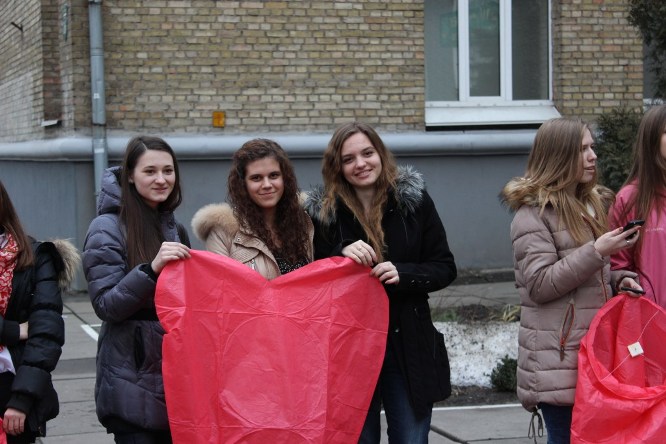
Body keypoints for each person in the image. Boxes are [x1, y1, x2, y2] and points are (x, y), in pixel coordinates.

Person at [305, 121, 457, 443]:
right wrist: (339, 253)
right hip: (350, 349)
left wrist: (405, 274)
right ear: (337, 166)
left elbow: (444, 267)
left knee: (410, 439)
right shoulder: (324, 214)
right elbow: (311, 276)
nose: (360, 164)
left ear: (381, 154)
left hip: (408, 344)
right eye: (348, 159)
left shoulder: (414, 202)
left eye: (367, 153)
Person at [500, 117, 642, 444]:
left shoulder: (589, 205)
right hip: (560, 359)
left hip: (592, 354)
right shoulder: (532, 215)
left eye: (592, 147)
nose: (593, 156)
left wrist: (618, 280)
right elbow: (540, 284)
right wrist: (597, 251)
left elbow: (585, 278)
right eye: (582, 149)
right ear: (559, 156)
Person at [82, 136, 191, 444]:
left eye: (168, 171)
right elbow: (106, 305)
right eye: (150, 171)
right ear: (130, 175)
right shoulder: (106, 228)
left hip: (172, 375)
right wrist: (150, 270)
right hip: (130, 377)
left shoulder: (175, 227)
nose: (161, 179)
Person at [0, 180, 78, 443]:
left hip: (11, 390)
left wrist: (22, 399)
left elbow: (47, 332)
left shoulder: (36, 257)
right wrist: (12, 330)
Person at [191, 138, 313, 278]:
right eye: (256, 178)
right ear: (243, 184)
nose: (267, 185)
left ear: (285, 178)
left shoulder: (307, 220)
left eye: (274, 175)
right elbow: (221, 287)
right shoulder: (222, 235)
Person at [609, 105, 666, 305]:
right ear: (651, 140)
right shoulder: (629, 199)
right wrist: (626, 283)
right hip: (651, 315)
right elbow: (617, 266)